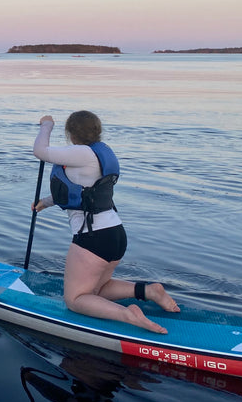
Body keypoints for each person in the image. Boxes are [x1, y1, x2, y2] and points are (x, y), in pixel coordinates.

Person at [32, 111, 179, 334]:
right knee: (98, 289)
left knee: (75, 299)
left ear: (70, 133)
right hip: (114, 233)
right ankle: (148, 291)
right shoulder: (98, 153)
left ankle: (128, 316)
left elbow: (40, 152)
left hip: (92, 238)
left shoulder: (81, 152)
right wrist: (47, 201)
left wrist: (46, 126)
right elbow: (85, 190)